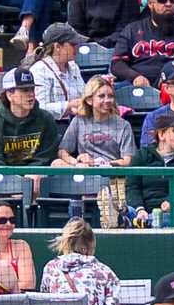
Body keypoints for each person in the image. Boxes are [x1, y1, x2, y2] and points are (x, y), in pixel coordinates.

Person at [54, 77, 135, 225]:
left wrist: (104, 164)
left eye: (110, 96)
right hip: (85, 173)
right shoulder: (79, 121)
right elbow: (62, 151)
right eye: (102, 96)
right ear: (90, 100)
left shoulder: (123, 125)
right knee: (56, 163)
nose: (107, 100)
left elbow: (128, 160)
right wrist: (77, 160)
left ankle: (114, 215)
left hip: (110, 175)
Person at [40, 218, 124, 305]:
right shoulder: (106, 272)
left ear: (65, 243)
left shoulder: (50, 268)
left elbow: (44, 303)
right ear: (91, 243)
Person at [0, 68, 64, 173]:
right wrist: (13, 178)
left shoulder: (46, 119)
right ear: (9, 95)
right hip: (4, 179)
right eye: (25, 90)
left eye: (32, 89)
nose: (31, 94)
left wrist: (29, 175)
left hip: (36, 176)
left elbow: (46, 157)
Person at [29, 23, 86, 118]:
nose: (77, 47)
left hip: (76, 124)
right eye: (72, 44)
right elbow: (39, 108)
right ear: (57, 47)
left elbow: (84, 95)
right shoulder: (39, 70)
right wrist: (68, 106)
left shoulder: (74, 67)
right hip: (50, 128)